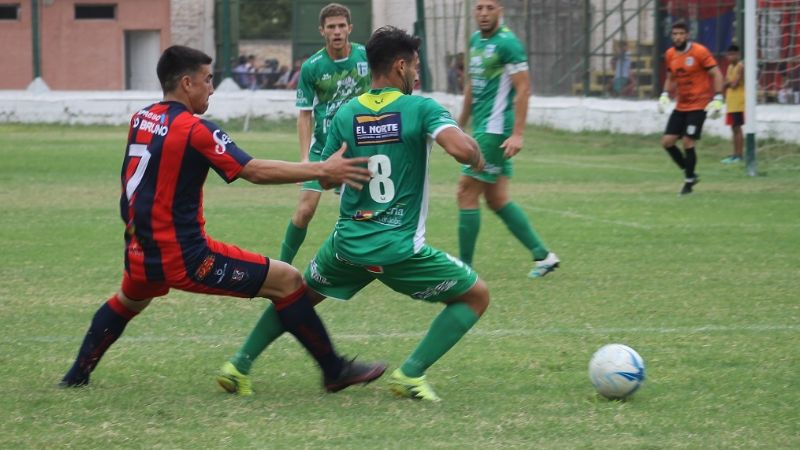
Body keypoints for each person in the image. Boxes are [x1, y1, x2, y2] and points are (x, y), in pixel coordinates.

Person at [59, 45, 387, 393]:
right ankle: (334, 371)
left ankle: (76, 376)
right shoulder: (194, 130)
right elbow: (253, 170)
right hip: (185, 256)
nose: (212, 88)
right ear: (187, 83)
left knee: (128, 300)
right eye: (207, 80)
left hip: (141, 247)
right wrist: (322, 168)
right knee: (288, 281)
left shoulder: (142, 118)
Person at [218, 26, 490, 402]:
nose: (416, 74)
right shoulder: (422, 108)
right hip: (399, 250)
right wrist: (477, 154)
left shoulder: (347, 113)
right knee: (476, 296)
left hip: (347, 245)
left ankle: (238, 365)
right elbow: (460, 150)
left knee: (294, 296)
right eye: (413, 67)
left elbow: (327, 179)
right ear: (399, 66)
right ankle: (410, 373)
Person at [457, 0, 559, 279]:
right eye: (479, 7)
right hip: (481, 128)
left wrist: (518, 134)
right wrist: (458, 126)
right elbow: (470, 86)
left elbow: (524, 89)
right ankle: (543, 255)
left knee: (466, 193)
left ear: (500, 9)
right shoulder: (475, 40)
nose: (484, 13)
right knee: (497, 199)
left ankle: (463, 269)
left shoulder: (508, 43)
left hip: (494, 131)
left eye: (490, 7)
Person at [279, 3, 371, 264]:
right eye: (331, 27)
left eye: (342, 26)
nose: (337, 31)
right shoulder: (312, 67)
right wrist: (304, 159)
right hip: (324, 149)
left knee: (362, 212)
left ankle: (361, 263)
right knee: (305, 210)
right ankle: (283, 266)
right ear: (322, 31)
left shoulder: (367, 57)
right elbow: (305, 115)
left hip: (358, 147)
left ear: (350, 28)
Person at [657, 20, 724, 195]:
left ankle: (688, 183)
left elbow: (716, 73)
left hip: (699, 104)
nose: (677, 37)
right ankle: (690, 172)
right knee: (667, 142)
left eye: (681, 33)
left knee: (688, 141)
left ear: (687, 35)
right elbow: (671, 77)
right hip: (681, 104)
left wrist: (718, 97)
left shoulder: (699, 52)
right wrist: (665, 94)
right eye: (675, 34)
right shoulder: (670, 54)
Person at [721, 44, 744, 164]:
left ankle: (739, 155)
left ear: (738, 55)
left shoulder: (740, 66)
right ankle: (735, 154)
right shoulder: (730, 67)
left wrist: (727, 83)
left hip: (739, 103)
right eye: (729, 54)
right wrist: (727, 83)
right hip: (731, 103)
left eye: (733, 54)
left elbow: (734, 84)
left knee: (737, 128)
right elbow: (727, 82)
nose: (731, 57)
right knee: (733, 128)